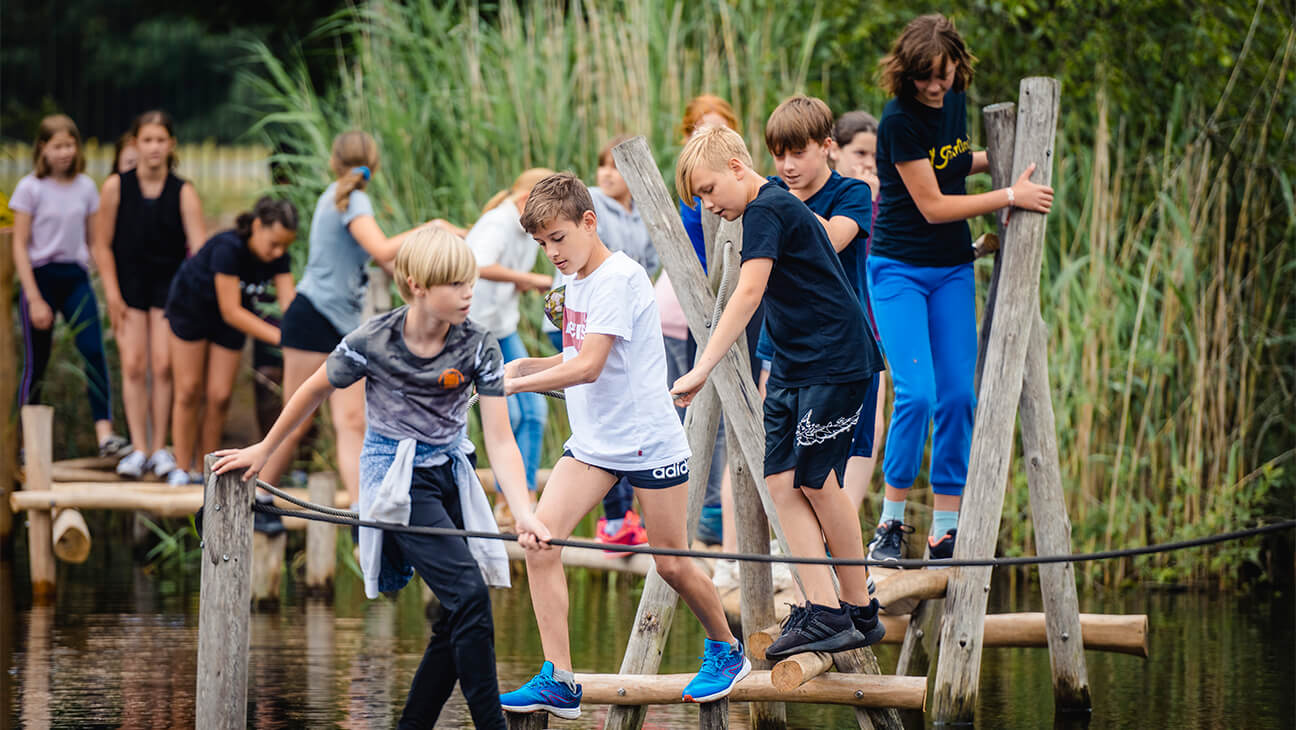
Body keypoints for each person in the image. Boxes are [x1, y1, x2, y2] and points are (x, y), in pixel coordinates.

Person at [214, 227, 546, 730]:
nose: (468, 294)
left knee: (457, 615)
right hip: (396, 480)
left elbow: (500, 440)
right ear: (415, 285)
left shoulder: (479, 344)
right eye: (455, 285)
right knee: (470, 597)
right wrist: (265, 449)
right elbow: (312, 390)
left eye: (470, 283)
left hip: (449, 474)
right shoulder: (374, 340)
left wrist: (523, 513)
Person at [500, 173, 749, 718]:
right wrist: (520, 366)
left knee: (672, 566)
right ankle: (559, 679)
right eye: (542, 244)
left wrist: (515, 385)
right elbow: (571, 356)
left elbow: (587, 368)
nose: (552, 253)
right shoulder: (567, 284)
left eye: (558, 239)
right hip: (592, 445)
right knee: (540, 543)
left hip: (646, 444)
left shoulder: (621, 278)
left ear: (589, 222)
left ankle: (728, 651)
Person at [671, 126, 885, 658]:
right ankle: (826, 609)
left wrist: (702, 367)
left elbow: (748, 292)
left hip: (835, 361)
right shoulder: (760, 210)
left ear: (739, 169)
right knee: (781, 483)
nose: (707, 205)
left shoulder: (769, 206)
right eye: (698, 198)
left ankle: (856, 607)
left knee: (816, 479)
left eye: (709, 190)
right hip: (794, 366)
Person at [864, 14, 1054, 563]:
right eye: (923, 77)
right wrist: (1008, 196)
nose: (934, 86)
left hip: (951, 268)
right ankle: (891, 525)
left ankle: (945, 529)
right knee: (917, 395)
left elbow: (949, 167)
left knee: (958, 397)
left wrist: (1003, 159)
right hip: (898, 269)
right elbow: (933, 203)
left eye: (942, 75)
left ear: (955, 67)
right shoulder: (897, 120)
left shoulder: (956, 100)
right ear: (906, 73)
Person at [256, 130, 431, 518]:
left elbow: (389, 262)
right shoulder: (350, 197)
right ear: (375, 162)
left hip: (342, 324)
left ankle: (359, 510)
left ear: (334, 161)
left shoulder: (347, 197)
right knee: (296, 419)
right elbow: (383, 248)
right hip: (313, 316)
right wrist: (432, 227)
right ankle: (257, 496)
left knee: (352, 420)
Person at [755, 97, 885, 514]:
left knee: (830, 467)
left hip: (840, 350)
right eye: (778, 155)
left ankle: (841, 558)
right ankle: (801, 558)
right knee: (782, 465)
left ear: (826, 145)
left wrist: (781, 203)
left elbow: (830, 241)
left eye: (798, 153)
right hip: (783, 345)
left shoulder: (851, 192)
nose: (787, 165)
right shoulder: (773, 194)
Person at [93, 110, 206, 479]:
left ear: (170, 144)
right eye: (147, 140)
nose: (154, 147)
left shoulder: (183, 191)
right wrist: (111, 292)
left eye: (161, 140)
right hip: (128, 285)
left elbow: (200, 249)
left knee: (162, 365)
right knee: (132, 364)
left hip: (169, 288)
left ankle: (160, 447)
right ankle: (138, 447)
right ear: (135, 143)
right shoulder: (116, 187)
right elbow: (101, 244)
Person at [10, 114, 128, 457]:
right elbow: (20, 245)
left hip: (75, 277)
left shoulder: (86, 187)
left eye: (70, 145)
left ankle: (104, 433)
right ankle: (27, 440)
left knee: (93, 351)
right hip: (41, 277)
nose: (64, 152)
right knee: (38, 361)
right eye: (57, 146)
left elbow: (94, 242)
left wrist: (107, 286)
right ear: (43, 148)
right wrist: (33, 298)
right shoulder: (30, 189)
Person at [163, 197, 299, 485]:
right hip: (192, 309)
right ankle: (181, 466)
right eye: (274, 243)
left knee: (220, 395)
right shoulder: (228, 248)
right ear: (257, 226)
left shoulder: (278, 257)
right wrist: (282, 339)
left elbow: (290, 305)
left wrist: (300, 334)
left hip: (230, 322)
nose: (278, 252)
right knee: (188, 390)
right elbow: (231, 310)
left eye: (284, 246)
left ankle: (207, 467)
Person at [464, 168, 556, 524]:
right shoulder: (500, 222)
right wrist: (529, 278)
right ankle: (508, 500)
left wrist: (519, 284)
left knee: (535, 412)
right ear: (523, 202)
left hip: (503, 327)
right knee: (510, 413)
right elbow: (478, 263)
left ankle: (521, 499)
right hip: (475, 329)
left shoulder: (524, 231)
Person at [587, 135, 660, 550]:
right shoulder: (593, 204)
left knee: (630, 414)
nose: (607, 174)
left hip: (628, 326)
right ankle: (614, 519)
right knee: (604, 416)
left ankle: (628, 515)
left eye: (615, 167)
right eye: (604, 165)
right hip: (597, 319)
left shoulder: (641, 212)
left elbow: (649, 262)